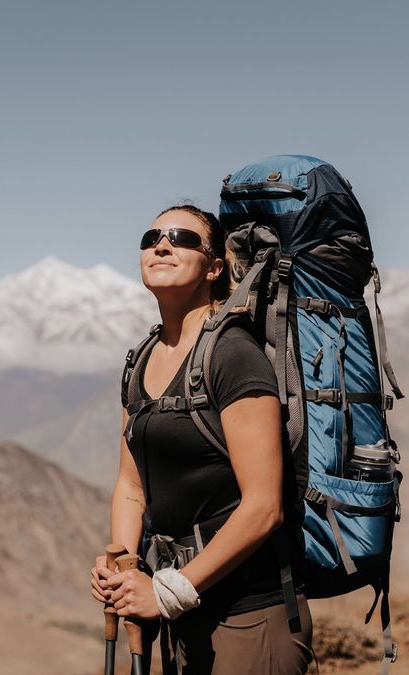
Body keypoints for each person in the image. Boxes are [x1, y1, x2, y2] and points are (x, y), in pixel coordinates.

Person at [89, 204, 314, 674]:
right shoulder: (141, 360)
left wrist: (169, 591)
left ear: (214, 268)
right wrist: (125, 568)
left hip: (248, 615)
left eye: (182, 238)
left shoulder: (233, 354)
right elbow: (131, 486)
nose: (162, 245)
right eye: (151, 239)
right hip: (179, 612)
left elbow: (264, 507)